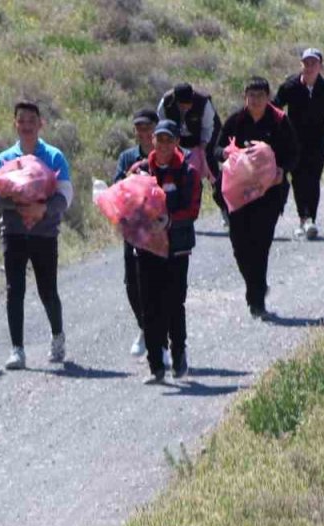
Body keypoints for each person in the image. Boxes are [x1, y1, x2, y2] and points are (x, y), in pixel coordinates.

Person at [0, 101, 73, 371]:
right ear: (15, 123)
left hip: (44, 234)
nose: (26, 125)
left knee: (48, 290)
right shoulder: (4, 159)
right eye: (21, 120)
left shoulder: (54, 157)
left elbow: (66, 196)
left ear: (40, 124)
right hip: (13, 233)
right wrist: (22, 204)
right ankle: (17, 349)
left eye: (31, 120)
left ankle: (58, 336)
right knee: (15, 291)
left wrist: (43, 209)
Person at [216, 76, 298, 320]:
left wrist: (281, 171)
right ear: (245, 97)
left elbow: (294, 153)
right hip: (239, 194)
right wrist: (227, 155)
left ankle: (257, 299)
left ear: (267, 97)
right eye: (251, 96)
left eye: (260, 96)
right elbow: (217, 149)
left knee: (260, 245)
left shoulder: (280, 121)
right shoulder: (235, 121)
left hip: (269, 194)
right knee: (240, 246)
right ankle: (255, 286)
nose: (255, 100)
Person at [126, 120, 201, 384]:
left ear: (177, 142)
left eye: (170, 140)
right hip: (146, 249)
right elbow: (127, 200)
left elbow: (191, 210)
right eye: (160, 139)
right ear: (153, 142)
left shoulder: (188, 173)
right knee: (150, 306)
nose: (165, 145)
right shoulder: (140, 170)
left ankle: (179, 352)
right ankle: (156, 366)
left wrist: (168, 221)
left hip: (177, 249)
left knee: (173, 303)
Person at [273, 48, 324, 240]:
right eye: (306, 63)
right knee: (298, 179)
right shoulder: (290, 86)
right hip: (294, 142)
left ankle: (311, 220)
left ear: (320, 66)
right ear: (301, 65)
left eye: (313, 64)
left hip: (317, 141)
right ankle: (304, 219)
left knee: (313, 180)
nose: (309, 67)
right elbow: (275, 108)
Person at [113, 108, 158, 358]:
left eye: (147, 127)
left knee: (158, 283)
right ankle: (145, 327)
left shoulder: (165, 155)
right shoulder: (127, 157)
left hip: (160, 230)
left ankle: (159, 334)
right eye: (139, 128)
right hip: (133, 229)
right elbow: (116, 186)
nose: (143, 133)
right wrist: (129, 179)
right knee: (132, 283)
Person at [157, 82, 228, 225]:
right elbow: (162, 126)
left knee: (211, 170)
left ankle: (226, 210)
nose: (186, 108)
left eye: (188, 104)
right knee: (182, 173)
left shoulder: (203, 103)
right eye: (182, 105)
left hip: (206, 135)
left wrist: (203, 146)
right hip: (179, 139)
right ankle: (183, 213)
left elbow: (208, 127)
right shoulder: (165, 103)